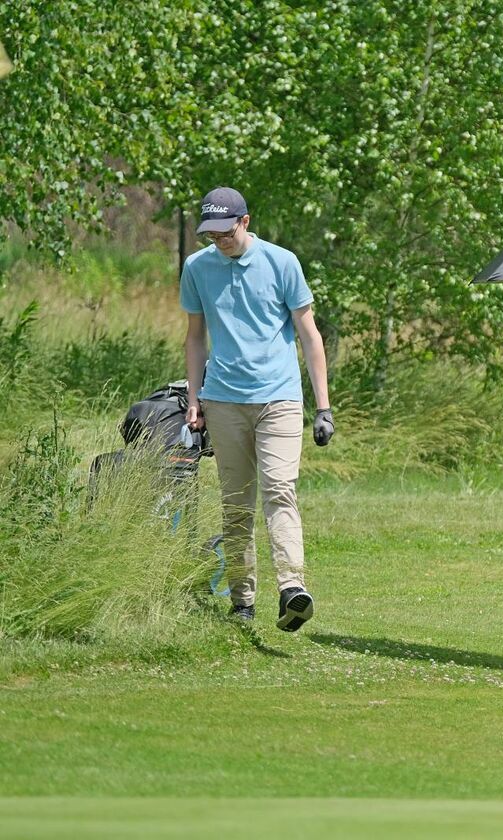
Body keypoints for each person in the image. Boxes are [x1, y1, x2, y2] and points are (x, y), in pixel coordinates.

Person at [180, 186, 334, 632]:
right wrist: (194, 399)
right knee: (235, 503)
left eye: (225, 233)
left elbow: (309, 335)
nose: (219, 241)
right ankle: (242, 598)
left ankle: (291, 588)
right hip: (223, 399)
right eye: (211, 235)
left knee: (280, 489)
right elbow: (195, 337)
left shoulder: (281, 262)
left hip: (279, 398)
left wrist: (323, 407)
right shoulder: (197, 268)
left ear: (244, 222)